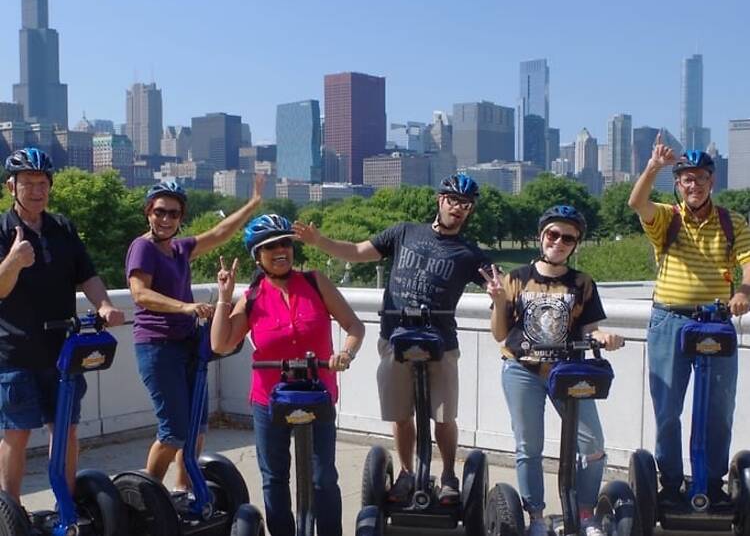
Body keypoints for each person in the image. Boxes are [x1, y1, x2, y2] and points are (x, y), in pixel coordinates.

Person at [293, 173, 490, 504]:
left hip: (442, 344)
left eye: (466, 205)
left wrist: (504, 292)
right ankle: (406, 472)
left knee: (444, 416)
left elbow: (502, 288)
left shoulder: (470, 253)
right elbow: (357, 251)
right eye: (453, 201)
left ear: (470, 211)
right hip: (395, 338)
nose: (458, 209)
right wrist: (320, 241)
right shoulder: (403, 232)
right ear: (440, 200)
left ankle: (448, 476)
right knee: (401, 414)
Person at [210, 214, 364, 536]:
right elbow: (221, 344)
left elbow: (354, 326)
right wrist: (225, 297)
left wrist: (344, 354)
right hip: (270, 400)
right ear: (258, 255)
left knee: (323, 477)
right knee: (275, 477)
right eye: (271, 246)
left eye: (285, 243)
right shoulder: (252, 297)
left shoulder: (315, 282)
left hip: (317, 393)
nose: (281, 250)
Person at [483, 205, 623, 536]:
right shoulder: (516, 277)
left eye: (567, 238)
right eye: (552, 234)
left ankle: (585, 514)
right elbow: (500, 334)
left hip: (569, 372)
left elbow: (591, 330)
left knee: (592, 445)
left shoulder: (583, 283)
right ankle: (536, 518)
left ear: (576, 244)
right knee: (528, 447)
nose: (558, 242)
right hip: (522, 370)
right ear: (541, 235)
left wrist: (604, 337)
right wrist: (500, 300)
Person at [628, 137, 750, 509]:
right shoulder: (668, 217)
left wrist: (744, 291)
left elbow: (749, 259)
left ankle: (711, 482)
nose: (692, 185)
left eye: (698, 178)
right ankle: (669, 483)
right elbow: (637, 203)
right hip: (670, 321)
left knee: (718, 408)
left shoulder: (733, 221)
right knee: (668, 409)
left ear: (711, 181)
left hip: (715, 322)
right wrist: (654, 167)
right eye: (685, 179)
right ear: (678, 185)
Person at [125, 173, 265, 491]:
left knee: (196, 427)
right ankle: (147, 495)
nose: (165, 218)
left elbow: (219, 233)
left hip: (188, 345)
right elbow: (140, 294)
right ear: (148, 212)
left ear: (181, 218)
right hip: (157, 347)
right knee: (173, 429)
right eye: (159, 211)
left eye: (173, 213)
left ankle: (183, 491)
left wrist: (252, 204)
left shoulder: (179, 249)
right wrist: (186, 307)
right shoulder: (142, 248)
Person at [0, 148, 125, 503]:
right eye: (28, 184)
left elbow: (88, 275)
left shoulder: (62, 228)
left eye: (42, 183)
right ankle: (10, 512)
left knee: (66, 431)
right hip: (16, 352)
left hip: (63, 350)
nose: (37, 190)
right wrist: (13, 261)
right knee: (17, 433)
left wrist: (104, 305)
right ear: (12, 186)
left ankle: (66, 504)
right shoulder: (2, 230)